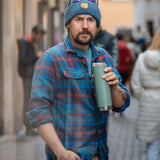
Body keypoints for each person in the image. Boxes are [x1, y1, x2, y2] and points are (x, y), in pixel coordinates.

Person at [26, 0, 130, 159]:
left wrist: (114, 88)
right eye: (79, 19)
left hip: (100, 154)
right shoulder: (51, 59)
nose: (85, 26)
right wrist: (60, 152)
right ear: (68, 24)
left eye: (91, 20)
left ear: (97, 25)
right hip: (68, 155)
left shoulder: (104, 57)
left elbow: (121, 104)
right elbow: (38, 111)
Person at [131, 28, 160, 160]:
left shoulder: (143, 58)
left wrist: (143, 96)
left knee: (153, 146)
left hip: (149, 102)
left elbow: (135, 84)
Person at [17, 25, 46, 135]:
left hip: (31, 75)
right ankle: (27, 127)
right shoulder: (25, 43)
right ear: (34, 33)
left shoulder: (30, 43)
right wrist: (36, 55)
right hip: (27, 76)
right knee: (27, 102)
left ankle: (29, 127)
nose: (40, 39)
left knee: (30, 101)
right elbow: (23, 59)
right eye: (39, 36)